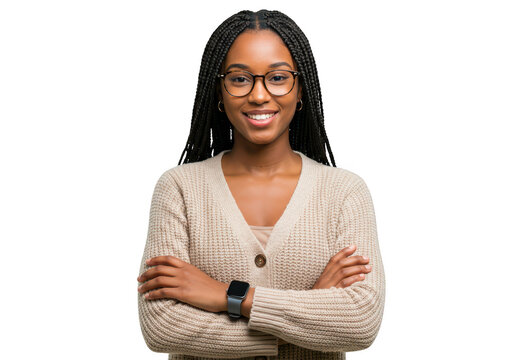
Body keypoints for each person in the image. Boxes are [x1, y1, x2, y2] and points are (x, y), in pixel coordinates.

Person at [137, 9, 385, 360]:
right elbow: (161, 326)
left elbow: (360, 321)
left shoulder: (343, 192)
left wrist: (227, 296)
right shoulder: (179, 188)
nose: (258, 95)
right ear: (219, 93)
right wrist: (309, 312)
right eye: (239, 79)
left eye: (278, 78)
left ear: (301, 90)